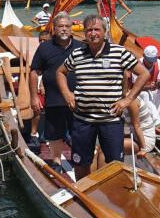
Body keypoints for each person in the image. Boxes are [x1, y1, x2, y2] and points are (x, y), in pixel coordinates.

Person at [56, 13, 140, 176]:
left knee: (114, 163)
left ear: (104, 32)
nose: (93, 33)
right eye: (89, 30)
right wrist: (67, 93)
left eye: (96, 29)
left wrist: (127, 99)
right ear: (84, 33)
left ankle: (111, 196)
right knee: (81, 162)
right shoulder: (77, 54)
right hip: (82, 120)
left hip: (111, 120)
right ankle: (83, 194)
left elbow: (143, 74)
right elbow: (60, 72)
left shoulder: (119, 52)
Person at [29, 12, 78, 156]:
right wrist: (34, 97)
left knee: (78, 132)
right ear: (54, 29)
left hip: (78, 99)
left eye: (67, 26)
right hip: (54, 98)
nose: (64, 29)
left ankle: (78, 159)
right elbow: (34, 72)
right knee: (55, 134)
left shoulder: (81, 47)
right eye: (60, 26)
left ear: (71, 28)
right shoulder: (44, 48)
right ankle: (56, 161)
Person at [132, 44, 160, 149]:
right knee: (145, 94)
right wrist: (148, 87)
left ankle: (156, 117)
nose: (152, 63)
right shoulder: (137, 65)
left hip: (153, 89)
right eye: (149, 60)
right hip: (140, 92)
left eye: (154, 60)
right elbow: (135, 87)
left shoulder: (159, 63)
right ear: (144, 56)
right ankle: (156, 120)